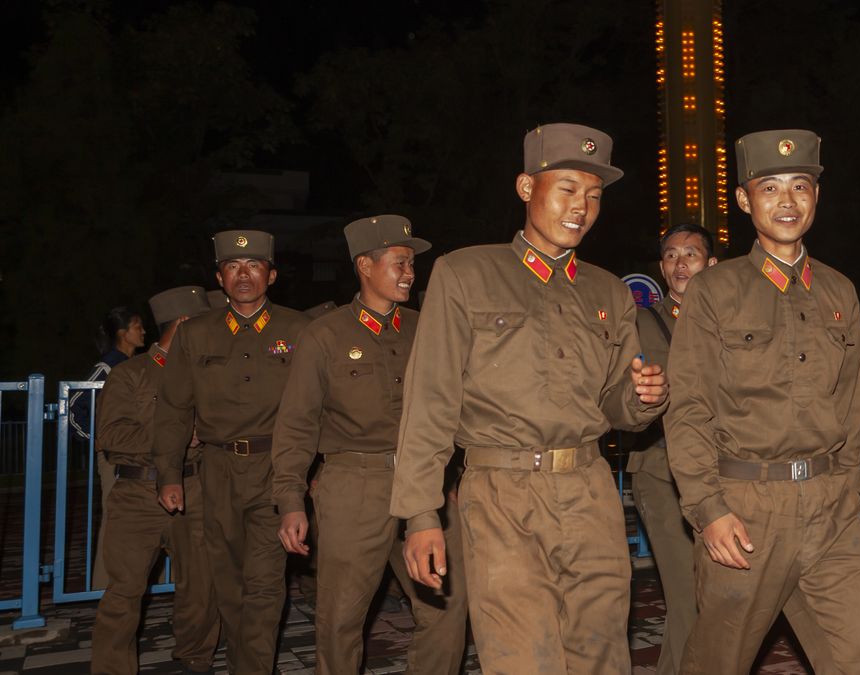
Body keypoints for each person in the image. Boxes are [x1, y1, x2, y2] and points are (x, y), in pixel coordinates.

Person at [393, 123, 668, 674]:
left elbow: (617, 406)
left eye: (593, 196)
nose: (581, 208)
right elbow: (430, 401)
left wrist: (644, 398)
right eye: (566, 189)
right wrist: (420, 514)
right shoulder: (465, 274)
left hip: (590, 491)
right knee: (523, 658)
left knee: (603, 654)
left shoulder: (608, 290)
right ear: (526, 188)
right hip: (501, 496)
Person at [665, 129, 860, 674]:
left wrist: (849, 486)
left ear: (818, 196)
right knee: (717, 662)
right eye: (769, 188)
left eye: (800, 185)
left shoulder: (840, 291)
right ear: (746, 201)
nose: (787, 201)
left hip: (832, 508)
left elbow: (852, 404)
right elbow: (689, 407)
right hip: (746, 510)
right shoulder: (713, 291)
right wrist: (709, 509)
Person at [273, 215, 468, 675]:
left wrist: (457, 476)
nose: (409, 272)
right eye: (399, 262)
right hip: (352, 486)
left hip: (425, 483)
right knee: (341, 617)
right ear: (364, 264)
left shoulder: (427, 327)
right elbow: (297, 424)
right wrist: (289, 500)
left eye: (412, 264)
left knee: (447, 607)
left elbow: (456, 408)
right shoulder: (324, 335)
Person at [153, 230, 310, 674]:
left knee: (263, 586)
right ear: (219, 278)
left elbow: (319, 405)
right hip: (216, 471)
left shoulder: (299, 329)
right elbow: (173, 409)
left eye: (254, 266)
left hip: (275, 469)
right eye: (233, 267)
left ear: (272, 275)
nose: (244, 275)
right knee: (229, 585)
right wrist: (169, 474)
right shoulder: (194, 334)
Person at [91, 286, 220, 674]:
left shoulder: (206, 375)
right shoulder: (130, 375)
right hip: (136, 495)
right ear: (182, 325)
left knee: (200, 588)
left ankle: (195, 656)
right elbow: (111, 437)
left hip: (194, 487)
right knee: (124, 592)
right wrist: (173, 436)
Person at [625, 222, 716, 675]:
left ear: (711, 264)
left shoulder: (730, 320)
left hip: (719, 473)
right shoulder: (642, 322)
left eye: (691, 255)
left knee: (718, 596)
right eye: (671, 256)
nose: (680, 264)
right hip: (662, 473)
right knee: (687, 592)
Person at [69, 305, 147, 590]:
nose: (144, 331)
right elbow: (75, 404)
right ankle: (105, 585)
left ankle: (156, 582)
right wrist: (97, 438)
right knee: (116, 519)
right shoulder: (107, 367)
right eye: (138, 327)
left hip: (139, 455)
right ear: (123, 333)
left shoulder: (139, 364)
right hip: (115, 457)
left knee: (148, 518)